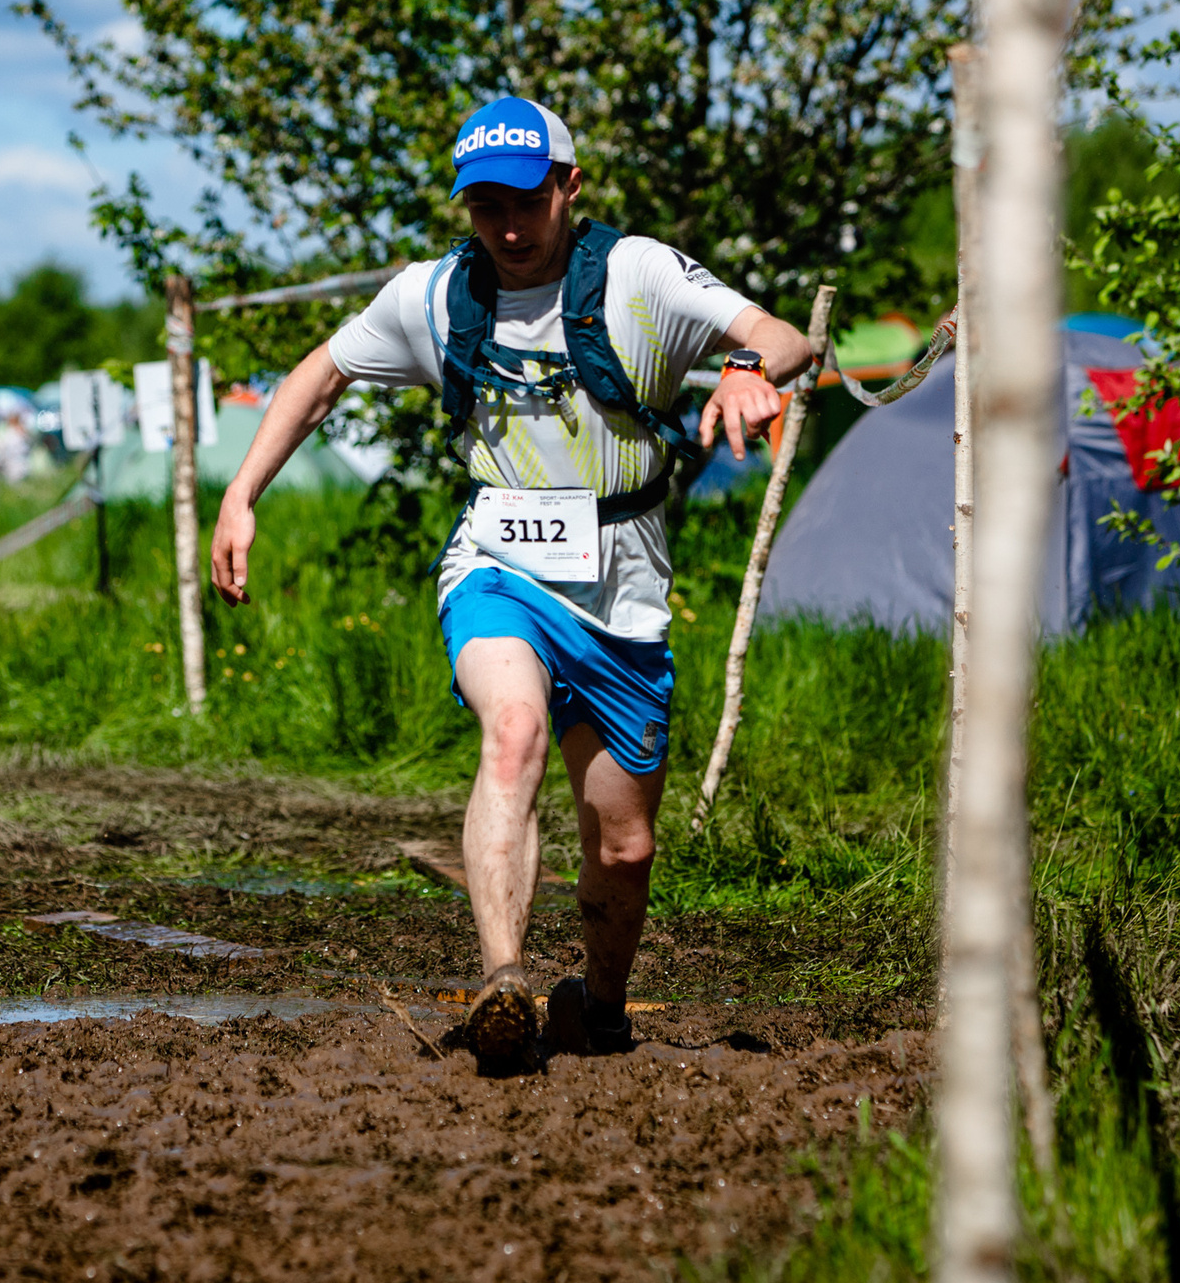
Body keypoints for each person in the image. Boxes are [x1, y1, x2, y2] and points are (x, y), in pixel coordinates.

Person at [210, 96, 817, 1072]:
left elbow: (777, 333)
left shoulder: (638, 275)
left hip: (624, 584)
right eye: (484, 204)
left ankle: (601, 1004)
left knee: (623, 850)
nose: (505, 226)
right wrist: (241, 493)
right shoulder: (436, 295)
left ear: (567, 187)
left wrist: (747, 370)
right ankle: (502, 980)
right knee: (514, 732)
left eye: (524, 202)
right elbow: (320, 373)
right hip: (499, 563)